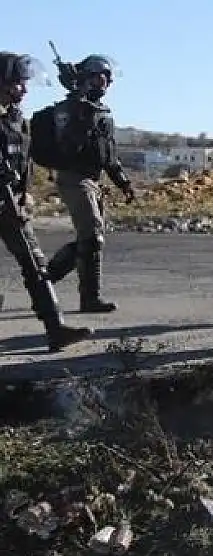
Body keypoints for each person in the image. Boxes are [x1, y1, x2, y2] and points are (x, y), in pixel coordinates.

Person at [0, 52, 92, 351]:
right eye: (19, 83)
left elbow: (24, 162)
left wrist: (23, 195)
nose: (24, 89)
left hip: (11, 205)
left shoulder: (16, 120)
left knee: (36, 264)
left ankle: (56, 329)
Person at [42, 55, 135, 313]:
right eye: (98, 78)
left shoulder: (102, 112)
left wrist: (123, 182)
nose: (104, 83)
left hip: (94, 179)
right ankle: (89, 298)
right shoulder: (69, 109)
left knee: (91, 239)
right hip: (73, 178)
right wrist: (81, 110)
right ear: (85, 78)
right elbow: (68, 146)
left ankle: (43, 282)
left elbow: (108, 154)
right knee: (92, 236)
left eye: (106, 78)